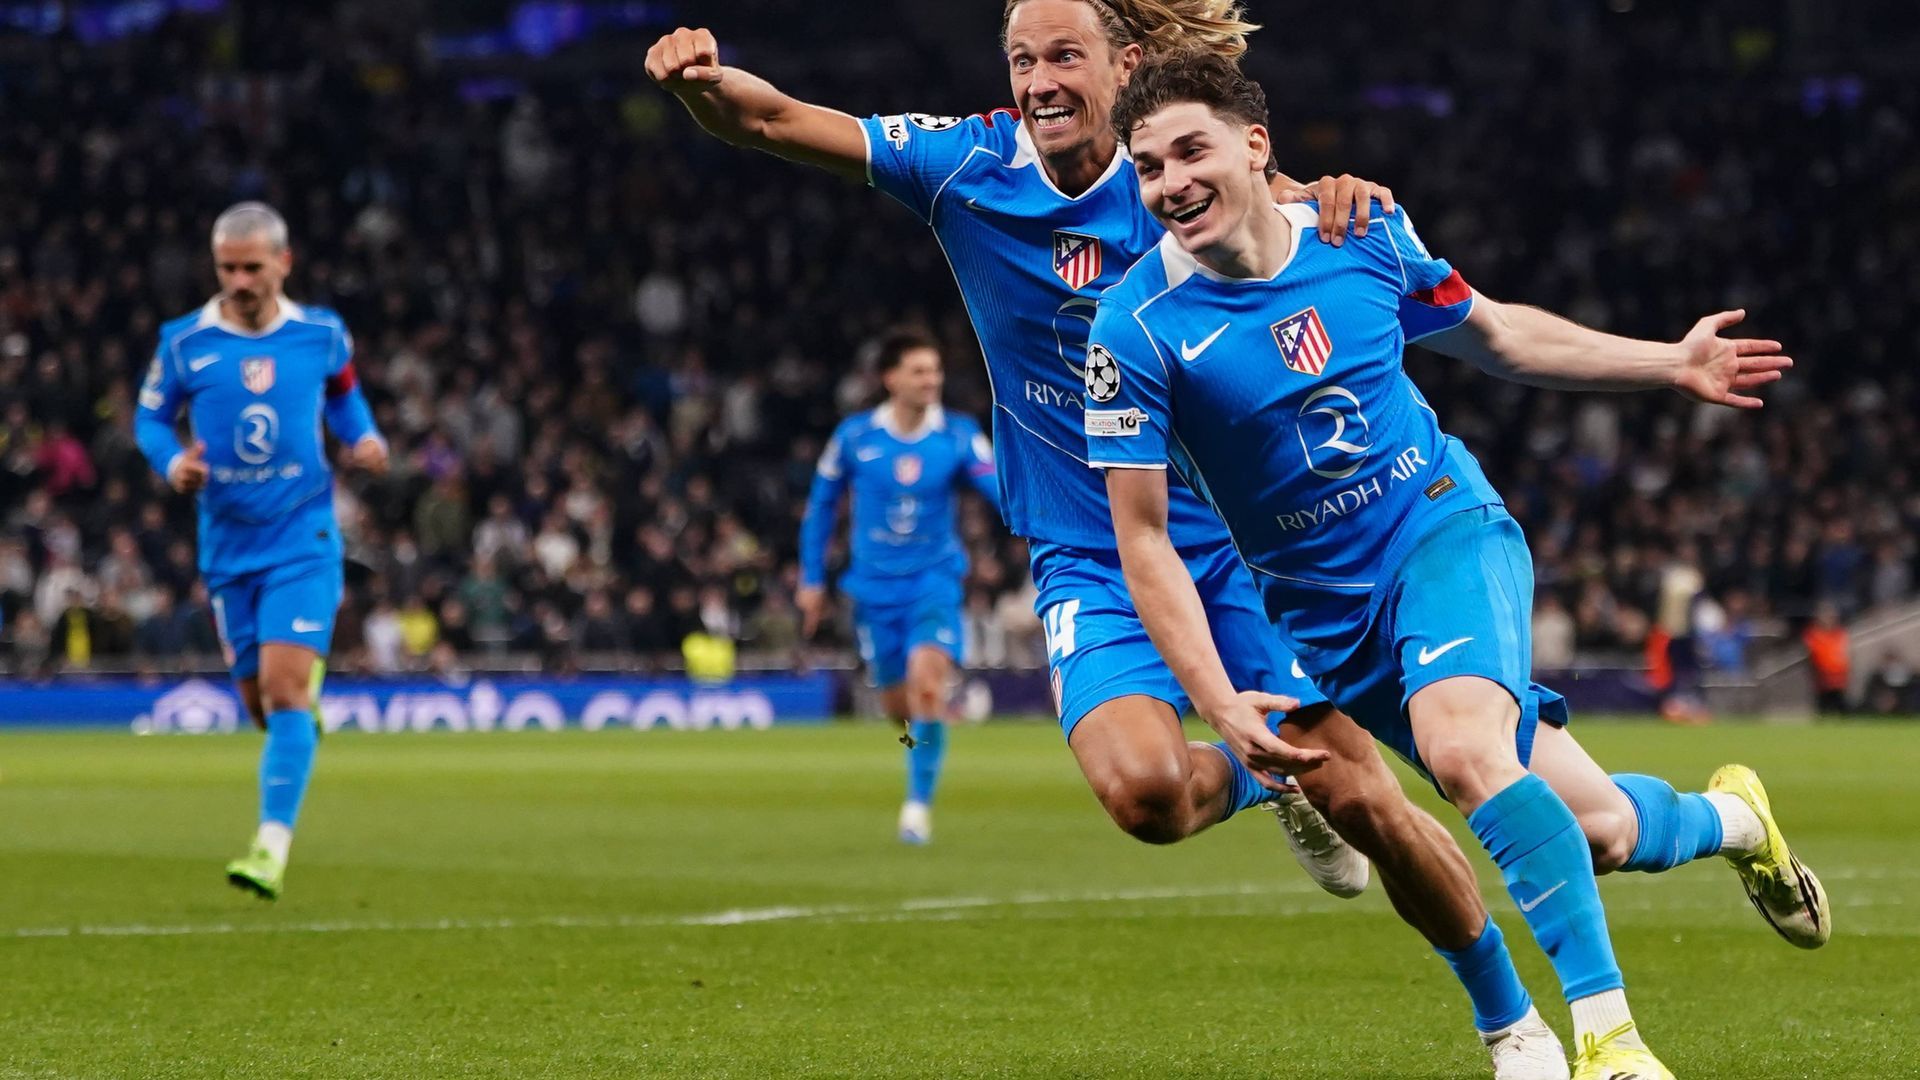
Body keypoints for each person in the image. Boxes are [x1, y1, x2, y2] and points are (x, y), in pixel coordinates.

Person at [647, 9, 1574, 1077]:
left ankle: (1512, 1024)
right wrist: (696, 88)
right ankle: (1253, 770)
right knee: (1142, 795)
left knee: (1361, 795)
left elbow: (1304, 226)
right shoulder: (964, 167)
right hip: (1090, 551)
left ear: (1125, 65)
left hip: (1238, 546)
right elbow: (773, 120)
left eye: (1063, 57)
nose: (1039, 80)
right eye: (1022, 60)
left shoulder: (1175, 173)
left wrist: (1346, 195)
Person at [1090, 50, 1827, 1080]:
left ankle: (1609, 1041)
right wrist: (1217, 701)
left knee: (1463, 750)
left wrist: (1669, 361)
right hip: (1329, 622)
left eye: (1189, 150)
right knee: (1604, 831)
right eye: (1148, 166)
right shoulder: (1132, 329)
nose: (1170, 182)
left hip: (1442, 528)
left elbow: (1498, 336)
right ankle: (1735, 818)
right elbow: (1145, 539)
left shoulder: (1366, 234)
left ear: (1255, 147)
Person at [135, 201, 389, 900]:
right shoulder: (184, 342)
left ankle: (269, 847)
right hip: (227, 546)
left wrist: (366, 440)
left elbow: (346, 401)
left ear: (284, 262)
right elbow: (150, 418)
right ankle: (301, 714)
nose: (240, 280)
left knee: (280, 690)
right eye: (227, 267)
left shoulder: (321, 334)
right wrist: (170, 464)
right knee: (261, 703)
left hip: (304, 537)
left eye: (253, 266)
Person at [798, 330, 1000, 843]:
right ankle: (919, 747)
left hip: (933, 581)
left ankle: (917, 807)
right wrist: (811, 579)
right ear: (890, 378)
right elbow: (821, 507)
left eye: (935, 370)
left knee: (927, 684)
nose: (931, 379)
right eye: (919, 371)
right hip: (872, 590)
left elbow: (996, 486)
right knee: (898, 707)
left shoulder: (957, 434)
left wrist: (1039, 523)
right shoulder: (854, 437)